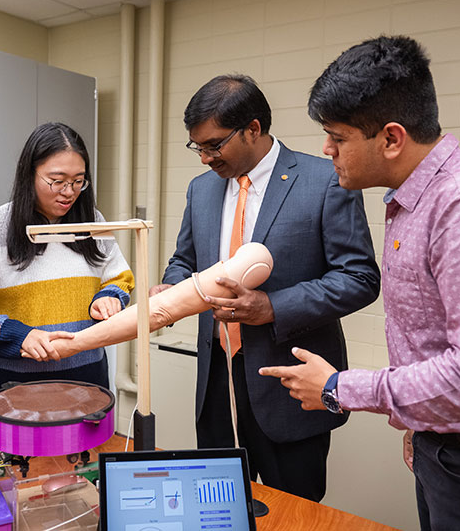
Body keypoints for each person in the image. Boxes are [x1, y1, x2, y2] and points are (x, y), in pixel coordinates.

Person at [259, 35, 460, 530]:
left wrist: (341, 387)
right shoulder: (412, 201)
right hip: (454, 451)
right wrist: (424, 424)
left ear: (391, 138)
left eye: (337, 137)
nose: (327, 150)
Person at [150, 74, 380, 501]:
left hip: (288, 384)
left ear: (253, 129)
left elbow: (360, 279)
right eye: (197, 147)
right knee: (218, 508)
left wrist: (273, 306)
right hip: (217, 380)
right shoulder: (201, 190)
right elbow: (185, 260)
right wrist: (171, 287)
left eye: (214, 145)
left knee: (293, 515)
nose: (204, 159)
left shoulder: (324, 180)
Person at [0, 122, 134, 441]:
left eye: (79, 181)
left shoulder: (92, 222)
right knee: (17, 484)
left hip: (86, 383)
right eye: (57, 181)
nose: (69, 192)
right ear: (29, 175)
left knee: (82, 481)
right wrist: (17, 335)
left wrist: (110, 296)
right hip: (12, 388)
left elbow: (119, 276)